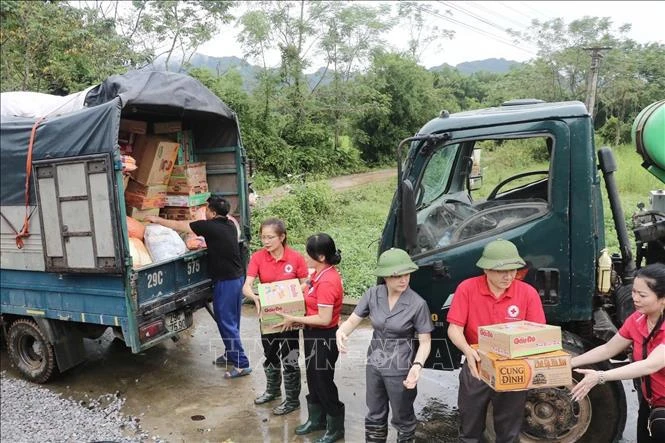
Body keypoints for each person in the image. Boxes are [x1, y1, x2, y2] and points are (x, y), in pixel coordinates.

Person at [446, 238, 546, 443]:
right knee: (469, 430)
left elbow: (538, 334)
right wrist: (467, 350)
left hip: (513, 367)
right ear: (486, 269)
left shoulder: (527, 293)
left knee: (508, 433)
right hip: (477, 363)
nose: (508, 275)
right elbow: (454, 328)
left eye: (512, 270)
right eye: (501, 271)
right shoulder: (467, 288)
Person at [145, 196, 252, 379]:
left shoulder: (209, 226)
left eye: (207, 210)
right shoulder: (230, 225)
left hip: (226, 281)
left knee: (226, 321)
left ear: (212, 212)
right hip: (236, 277)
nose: (206, 212)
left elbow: (181, 226)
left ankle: (242, 364)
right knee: (232, 321)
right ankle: (230, 353)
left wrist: (158, 220)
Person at [336, 248, 433, 443]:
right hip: (375, 363)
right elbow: (354, 320)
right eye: (397, 275)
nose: (403, 279)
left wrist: (417, 366)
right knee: (375, 413)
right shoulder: (373, 294)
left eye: (406, 274)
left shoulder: (417, 304)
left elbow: (425, 341)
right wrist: (342, 331)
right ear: (385, 277)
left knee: (402, 417)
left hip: (401, 367)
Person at [570, 263, 665, 443]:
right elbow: (608, 349)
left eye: (642, 295)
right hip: (651, 402)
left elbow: (650, 364)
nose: (635, 298)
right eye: (634, 292)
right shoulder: (637, 319)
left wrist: (600, 376)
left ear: (663, 299)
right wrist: (571, 362)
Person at [274, 233, 345, 443]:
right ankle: (317, 420)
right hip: (312, 334)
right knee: (314, 379)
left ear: (321, 257)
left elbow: (324, 319)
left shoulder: (329, 281)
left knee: (323, 381)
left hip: (324, 337)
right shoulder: (317, 275)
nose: (305, 258)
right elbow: (304, 290)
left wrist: (294, 318)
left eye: (309, 254)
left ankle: (335, 426)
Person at [242, 218, 308, 415]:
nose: (266, 241)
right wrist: (254, 297)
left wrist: (291, 293)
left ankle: (292, 400)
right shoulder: (258, 258)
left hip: (289, 318)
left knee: (290, 356)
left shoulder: (295, 258)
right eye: (263, 237)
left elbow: (307, 283)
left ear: (282, 237)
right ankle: (272, 391)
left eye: (270, 237)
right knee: (270, 354)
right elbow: (247, 285)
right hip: (268, 318)